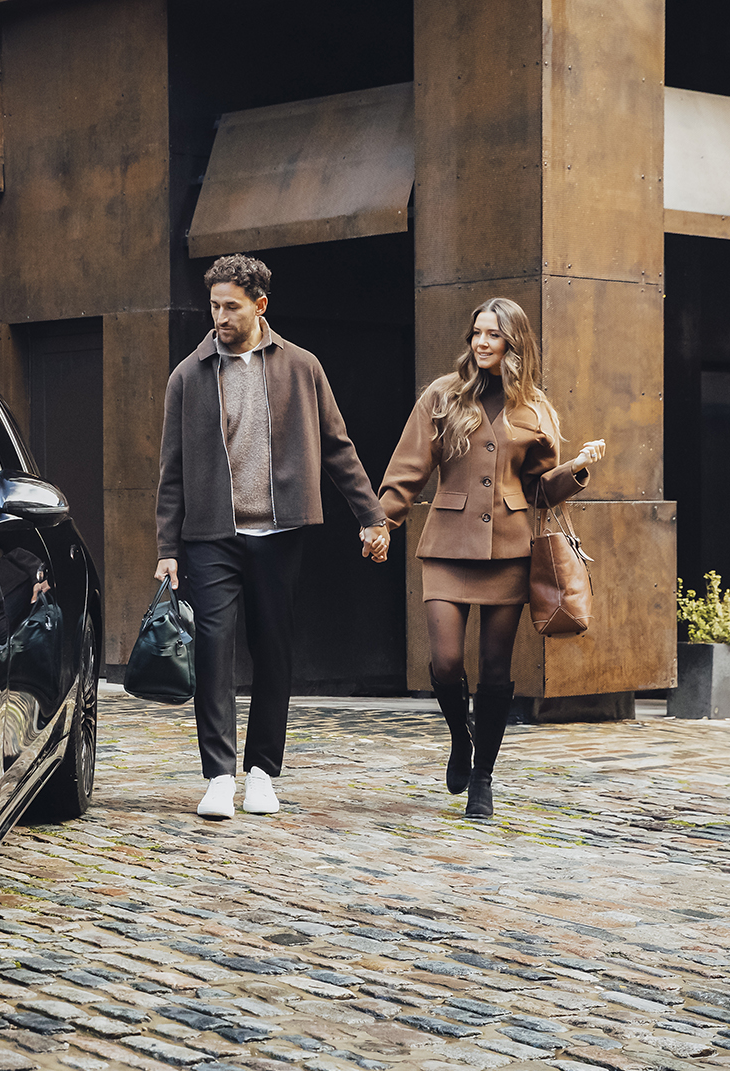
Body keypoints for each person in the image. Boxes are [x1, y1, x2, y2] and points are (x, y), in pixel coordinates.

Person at [155, 254, 390, 820]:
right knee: (213, 648)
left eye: (231, 307)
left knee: (273, 649)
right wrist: (166, 549)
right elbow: (172, 470)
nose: (220, 317)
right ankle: (218, 775)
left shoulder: (301, 367)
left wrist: (371, 515)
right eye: (214, 306)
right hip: (210, 536)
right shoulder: (188, 376)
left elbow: (337, 446)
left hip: (279, 533)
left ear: (260, 305)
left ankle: (262, 772)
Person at [377, 298, 604, 818]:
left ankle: (484, 776)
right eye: (477, 332)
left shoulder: (536, 409)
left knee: (496, 668)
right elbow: (409, 467)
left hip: (510, 549)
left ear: (513, 344)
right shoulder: (443, 395)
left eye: (493, 335)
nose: (481, 342)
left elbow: (539, 490)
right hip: (447, 546)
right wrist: (382, 522)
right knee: (446, 661)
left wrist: (575, 469)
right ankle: (462, 736)